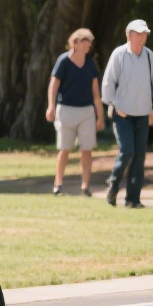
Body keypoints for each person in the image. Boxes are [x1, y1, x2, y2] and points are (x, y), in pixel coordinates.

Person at [101, 19, 153, 208]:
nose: (141, 37)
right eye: (138, 33)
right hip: (122, 115)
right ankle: (113, 184)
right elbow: (108, 83)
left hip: (142, 114)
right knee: (127, 151)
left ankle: (133, 199)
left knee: (139, 157)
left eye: (144, 34)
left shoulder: (148, 56)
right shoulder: (119, 54)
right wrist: (114, 104)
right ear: (129, 34)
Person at [45, 29, 105, 196]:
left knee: (87, 149)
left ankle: (85, 186)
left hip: (86, 111)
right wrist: (51, 106)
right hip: (66, 110)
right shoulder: (63, 61)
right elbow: (53, 85)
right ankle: (58, 185)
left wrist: (100, 115)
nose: (88, 44)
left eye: (89, 41)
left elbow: (95, 93)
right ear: (75, 43)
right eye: (85, 40)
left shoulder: (90, 63)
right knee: (64, 149)